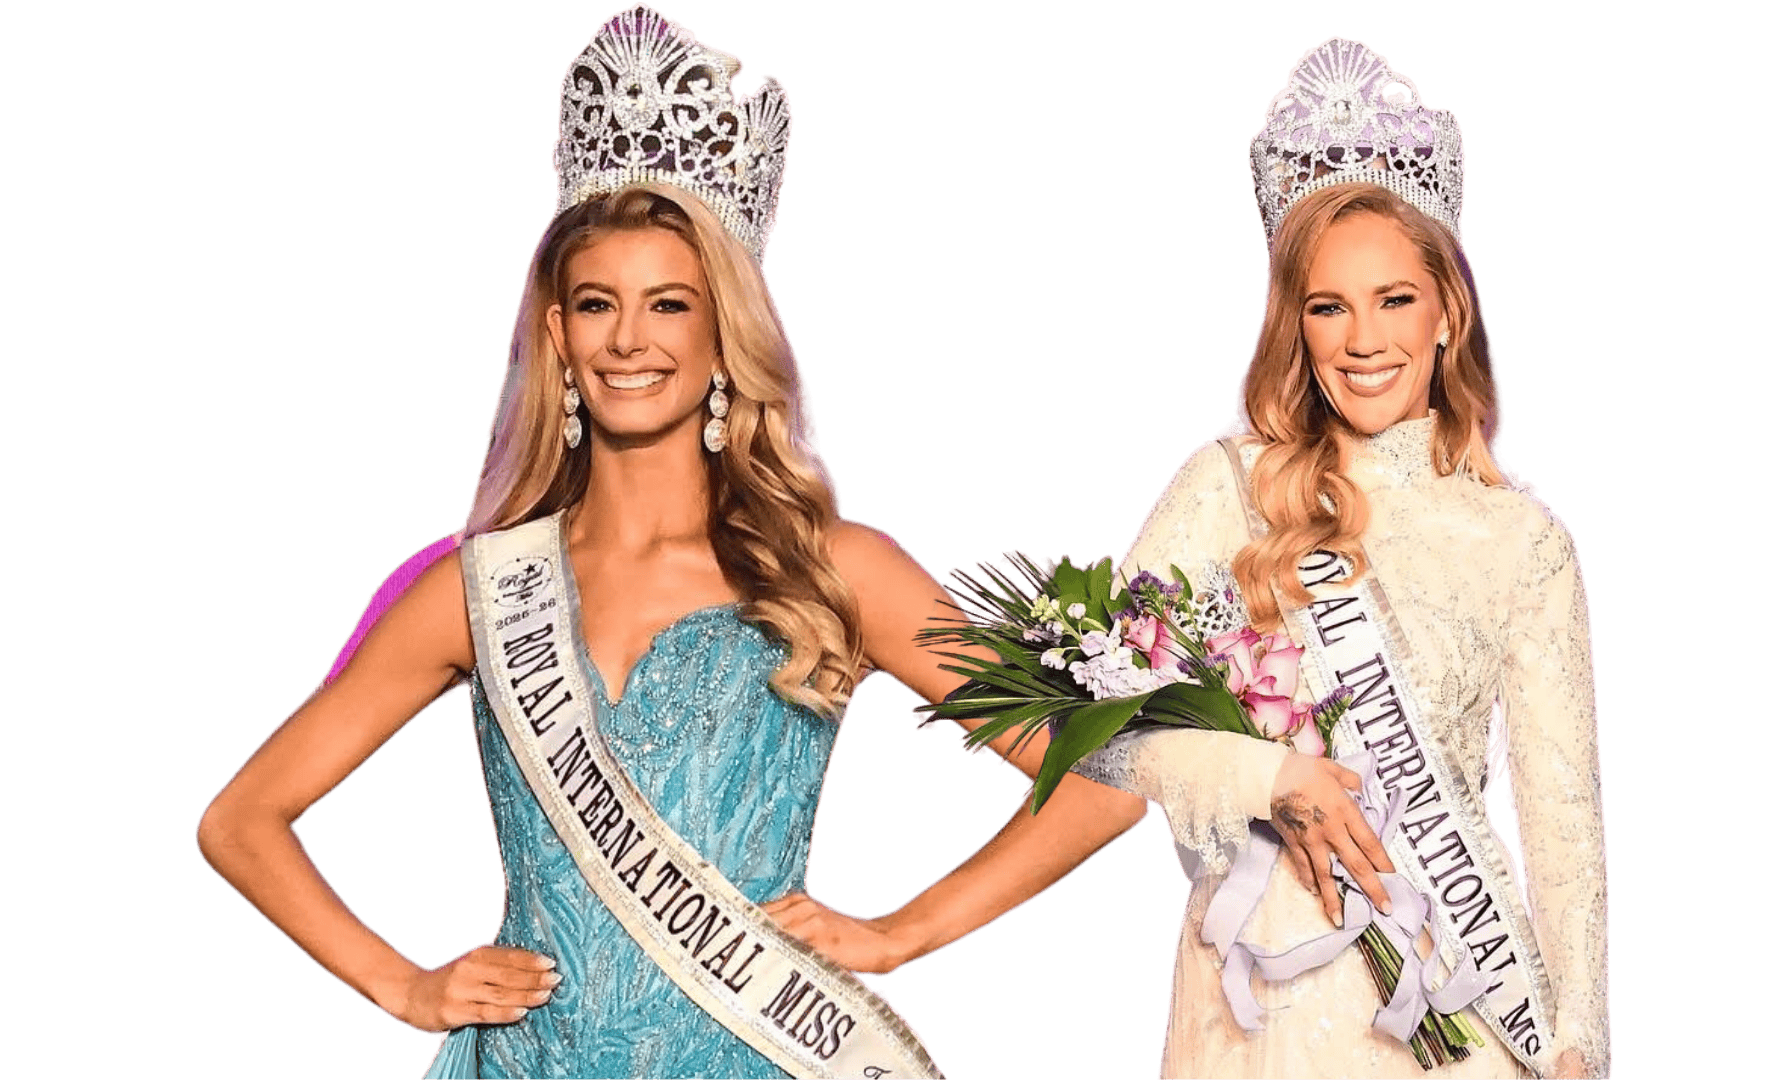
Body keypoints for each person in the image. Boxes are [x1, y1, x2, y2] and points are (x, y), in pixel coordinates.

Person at [193, 6, 1144, 1078]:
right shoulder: (483, 588)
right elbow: (242, 817)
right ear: (558, 333)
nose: (631, 339)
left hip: (757, 1045)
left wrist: (903, 930)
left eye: (670, 304)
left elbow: (1109, 774)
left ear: (721, 332)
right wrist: (403, 983)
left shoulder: (834, 568)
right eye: (597, 304)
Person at [1059, 37, 1611, 1079]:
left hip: (1462, 989)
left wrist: (1578, 1044)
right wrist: (1269, 774)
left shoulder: (1524, 541)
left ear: (1449, 311)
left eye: (1394, 299)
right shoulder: (1228, 484)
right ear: (1295, 326)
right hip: (1261, 993)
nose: (1363, 339)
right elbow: (1095, 723)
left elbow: (1565, 823)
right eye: (1328, 306)